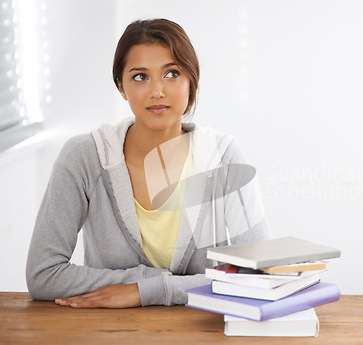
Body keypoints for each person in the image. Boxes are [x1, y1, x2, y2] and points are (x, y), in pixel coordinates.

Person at [26, 18, 271, 308]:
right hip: (106, 329)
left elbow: (258, 273)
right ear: (121, 86)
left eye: (172, 73)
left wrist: (148, 290)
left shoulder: (224, 157)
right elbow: (43, 274)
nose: (157, 90)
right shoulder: (85, 156)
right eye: (140, 77)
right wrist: (143, 281)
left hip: (201, 329)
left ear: (191, 81)